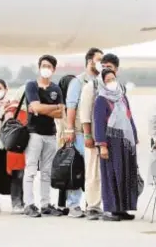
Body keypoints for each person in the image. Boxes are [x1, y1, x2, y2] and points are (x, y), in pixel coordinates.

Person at [61, 47, 103, 218]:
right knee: (77, 167)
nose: (100, 63)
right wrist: (69, 129)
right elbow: (71, 106)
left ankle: (91, 204)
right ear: (89, 61)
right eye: (98, 60)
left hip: (96, 133)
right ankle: (73, 205)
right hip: (79, 132)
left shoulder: (102, 82)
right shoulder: (78, 82)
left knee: (92, 171)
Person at [79, 53, 120, 221]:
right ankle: (93, 206)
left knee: (110, 173)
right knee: (93, 172)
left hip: (114, 138)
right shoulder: (92, 86)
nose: (106, 70)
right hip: (95, 137)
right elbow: (85, 113)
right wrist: (88, 135)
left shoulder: (117, 87)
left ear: (117, 70)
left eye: (110, 67)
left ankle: (112, 206)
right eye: (104, 66)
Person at [93, 69, 138, 222]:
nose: (111, 82)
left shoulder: (122, 97)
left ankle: (122, 209)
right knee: (111, 175)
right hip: (110, 142)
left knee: (124, 174)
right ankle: (110, 210)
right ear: (102, 83)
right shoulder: (101, 99)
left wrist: (134, 138)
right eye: (108, 80)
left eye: (113, 79)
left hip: (124, 141)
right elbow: (98, 124)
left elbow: (129, 117)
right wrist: (102, 145)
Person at [23, 55, 65, 218]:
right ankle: (29, 204)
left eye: (49, 66)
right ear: (39, 67)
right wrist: (52, 107)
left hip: (50, 134)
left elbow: (60, 112)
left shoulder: (56, 89)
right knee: (31, 169)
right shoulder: (31, 86)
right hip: (34, 133)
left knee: (47, 171)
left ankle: (45, 204)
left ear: (53, 70)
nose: (46, 68)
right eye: (43, 65)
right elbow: (34, 107)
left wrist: (42, 109)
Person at [0, 79, 26, 214]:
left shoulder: (11, 105)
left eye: (0, 88)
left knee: (14, 173)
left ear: (6, 89)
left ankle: (17, 201)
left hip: (9, 144)